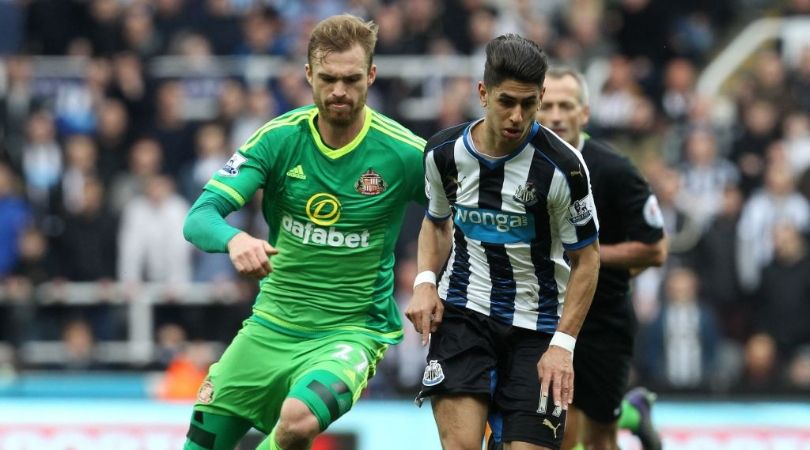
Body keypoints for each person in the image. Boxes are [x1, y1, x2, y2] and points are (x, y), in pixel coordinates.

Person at [181, 14, 426, 450]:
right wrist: (234, 238)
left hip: (351, 332)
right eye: (328, 78)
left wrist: (428, 280)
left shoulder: (405, 153)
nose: (338, 92)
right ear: (308, 74)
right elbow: (200, 217)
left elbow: (457, 217)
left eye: (351, 79)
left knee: (297, 420)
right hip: (269, 326)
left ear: (371, 75)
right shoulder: (278, 140)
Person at [406, 35, 601, 450]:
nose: (517, 116)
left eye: (529, 104)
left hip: (538, 328)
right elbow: (436, 223)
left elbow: (587, 261)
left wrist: (563, 345)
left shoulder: (564, 169)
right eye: (506, 101)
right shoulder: (442, 153)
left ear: (541, 97)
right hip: (463, 312)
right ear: (483, 93)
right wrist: (425, 279)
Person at [535, 67, 667, 450]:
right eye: (547, 105)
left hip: (601, 319)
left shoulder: (615, 170)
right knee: (553, 429)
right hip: (539, 315)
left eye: (566, 105)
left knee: (596, 437)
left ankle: (627, 413)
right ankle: (630, 410)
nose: (556, 115)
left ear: (585, 113)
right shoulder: (518, 164)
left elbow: (655, 249)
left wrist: (586, 255)